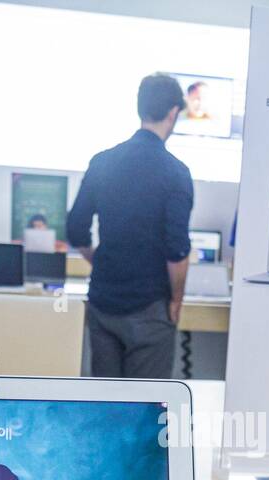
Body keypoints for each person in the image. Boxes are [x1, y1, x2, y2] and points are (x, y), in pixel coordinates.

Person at [67, 73, 194, 378]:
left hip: (103, 302)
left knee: (107, 405)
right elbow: (176, 251)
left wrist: (100, 260)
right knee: (144, 410)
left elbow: (75, 229)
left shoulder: (102, 161)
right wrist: (176, 300)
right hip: (150, 308)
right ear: (173, 113)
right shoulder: (176, 173)